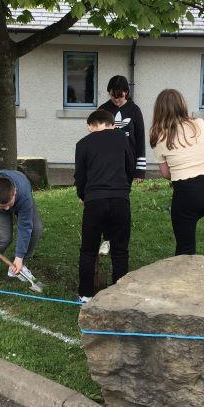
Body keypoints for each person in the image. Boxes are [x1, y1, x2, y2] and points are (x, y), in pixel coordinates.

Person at [150, 89, 204, 256]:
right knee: (188, 225)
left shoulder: (159, 135)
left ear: (159, 110)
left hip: (188, 192)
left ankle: (185, 280)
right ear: (182, 104)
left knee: (185, 248)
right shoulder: (200, 123)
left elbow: (166, 174)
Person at [74, 109, 134, 303]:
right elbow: (130, 167)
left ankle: (85, 294)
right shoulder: (122, 138)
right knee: (120, 250)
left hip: (94, 200)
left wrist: (83, 195)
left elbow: (80, 176)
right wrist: (125, 189)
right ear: (111, 123)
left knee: (88, 249)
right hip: (120, 199)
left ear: (91, 125)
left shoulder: (83, 143)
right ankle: (119, 292)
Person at [97, 75, 146, 255]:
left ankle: (119, 239)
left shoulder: (135, 111)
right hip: (106, 166)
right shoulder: (103, 110)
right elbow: (95, 138)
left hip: (127, 166)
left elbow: (140, 140)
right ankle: (107, 239)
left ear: (127, 92)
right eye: (113, 96)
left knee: (120, 203)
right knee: (105, 202)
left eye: (120, 96)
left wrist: (140, 170)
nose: (117, 99)